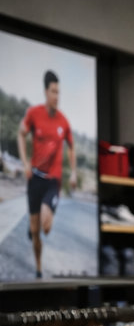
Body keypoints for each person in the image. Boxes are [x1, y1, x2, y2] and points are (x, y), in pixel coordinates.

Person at [17, 70, 77, 278]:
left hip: (53, 181)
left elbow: (71, 147)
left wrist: (74, 173)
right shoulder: (34, 113)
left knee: (46, 226)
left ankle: (39, 224)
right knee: (35, 232)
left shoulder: (63, 121)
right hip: (35, 179)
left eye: (58, 92)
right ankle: (39, 268)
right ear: (45, 92)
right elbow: (21, 134)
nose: (56, 96)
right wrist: (25, 162)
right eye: (53, 92)